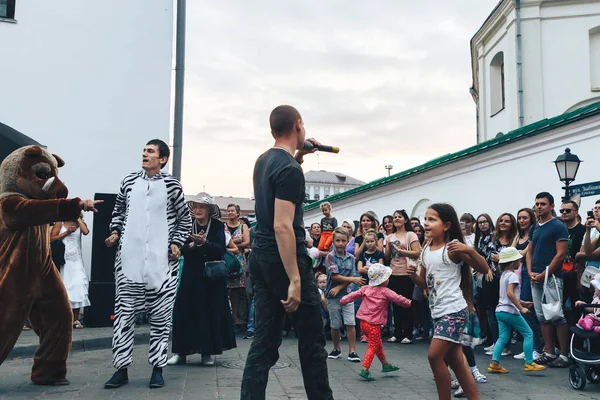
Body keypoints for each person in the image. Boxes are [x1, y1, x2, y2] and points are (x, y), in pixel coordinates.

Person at [240, 105, 333, 400]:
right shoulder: (289, 170)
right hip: (283, 257)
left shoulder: (264, 160)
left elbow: (281, 186)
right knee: (312, 341)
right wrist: (295, 278)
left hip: (261, 256)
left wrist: (300, 155)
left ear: (272, 131)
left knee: (265, 343)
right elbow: (283, 226)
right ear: (298, 125)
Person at [104, 139, 192, 389]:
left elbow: (185, 220)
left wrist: (176, 243)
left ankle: (157, 368)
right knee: (123, 317)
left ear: (162, 159)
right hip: (128, 262)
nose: (144, 154)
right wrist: (114, 231)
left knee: (161, 319)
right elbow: (118, 211)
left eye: (150, 151)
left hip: (161, 264)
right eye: (144, 150)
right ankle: (120, 369)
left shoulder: (172, 185)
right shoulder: (129, 181)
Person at [408, 203, 489, 400]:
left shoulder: (452, 249)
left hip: (454, 311)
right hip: (438, 312)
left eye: (432, 219)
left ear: (446, 225)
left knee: (434, 356)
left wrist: (468, 251)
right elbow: (424, 283)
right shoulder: (426, 248)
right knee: (457, 363)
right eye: (425, 219)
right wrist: (413, 276)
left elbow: (484, 268)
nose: (426, 223)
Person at [168, 193, 236, 366]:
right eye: (196, 207)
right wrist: (192, 245)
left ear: (208, 210)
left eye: (202, 207)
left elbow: (221, 249)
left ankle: (207, 353)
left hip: (211, 277)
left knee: (210, 312)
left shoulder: (218, 227)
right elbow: (180, 247)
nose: (198, 210)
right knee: (184, 311)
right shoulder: (186, 225)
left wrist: (205, 243)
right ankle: (180, 352)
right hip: (191, 274)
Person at [340, 263, 411, 381]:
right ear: (383, 280)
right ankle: (365, 369)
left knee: (378, 345)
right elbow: (398, 299)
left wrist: (343, 300)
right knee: (372, 347)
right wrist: (408, 303)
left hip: (363, 323)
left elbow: (353, 295)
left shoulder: (366, 289)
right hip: (374, 325)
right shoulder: (385, 291)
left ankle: (385, 364)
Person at [525, 192, 570, 368]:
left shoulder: (558, 226)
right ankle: (550, 351)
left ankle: (564, 355)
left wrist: (544, 274)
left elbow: (560, 254)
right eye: (537, 204)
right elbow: (530, 250)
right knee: (542, 316)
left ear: (551, 206)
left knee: (556, 315)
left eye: (543, 204)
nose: (539, 207)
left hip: (551, 278)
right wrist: (529, 271)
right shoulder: (535, 227)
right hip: (534, 276)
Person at [487, 247, 546, 374]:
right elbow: (510, 293)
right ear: (513, 262)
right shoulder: (513, 276)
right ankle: (529, 362)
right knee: (528, 333)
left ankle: (494, 363)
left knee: (503, 337)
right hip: (510, 311)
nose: (520, 262)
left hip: (500, 310)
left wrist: (522, 302)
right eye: (518, 260)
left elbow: (507, 294)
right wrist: (521, 308)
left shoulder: (503, 275)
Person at [325, 227, 364, 362]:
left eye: (343, 240)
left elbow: (351, 275)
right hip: (332, 296)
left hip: (347, 295)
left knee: (350, 322)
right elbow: (335, 276)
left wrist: (342, 286)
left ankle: (352, 351)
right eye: (338, 241)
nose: (340, 243)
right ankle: (336, 348)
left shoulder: (351, 258)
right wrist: (352, 280)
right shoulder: (330, 256)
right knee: (335, 324)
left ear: (348, 241)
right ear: (334, 241)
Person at [384, 209, 420, 344]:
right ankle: (397, 333)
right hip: (394, 272)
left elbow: (417, 252)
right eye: (395, 217)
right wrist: (388, 246)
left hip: (407, 273)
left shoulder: (410, 235)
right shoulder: (390, 236)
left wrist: (400, 250)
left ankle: (408, 333)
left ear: (405, 220)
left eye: (399, 217)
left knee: (407, 304)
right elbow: (387, 257)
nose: (396, 219)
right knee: (395, 304)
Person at [51, 213, 90, 329]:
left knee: (78, 286)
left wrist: (78, 217)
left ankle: (75, 319)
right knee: (64, 288)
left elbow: (86, 232)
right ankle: (63, 318)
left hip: (76, 259)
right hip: (63, 259)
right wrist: (66, 233)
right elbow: (51, 238)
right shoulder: (60, 222)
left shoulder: (79, 223)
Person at [560, 200, 586, 327]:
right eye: (562, 211)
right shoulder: (559, 229)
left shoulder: (583, 230)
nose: (564, 213)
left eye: (567, 210)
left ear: (576, 212)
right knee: (558, 309)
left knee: (577, 307)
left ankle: (578, 342)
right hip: (560, 273)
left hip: (576, 273)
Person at [225, 203, 251, 330]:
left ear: (237, 213)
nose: (229, 213)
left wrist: (230, 243)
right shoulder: (223, 226)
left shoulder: (243, 226)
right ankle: (224, 314)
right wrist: (235, 243)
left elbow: (247, 242)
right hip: (225, 258)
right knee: (224, 288)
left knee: (235, 289)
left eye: (232, 211)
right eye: (228, 211)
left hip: (238, 259)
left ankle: (235, 315)